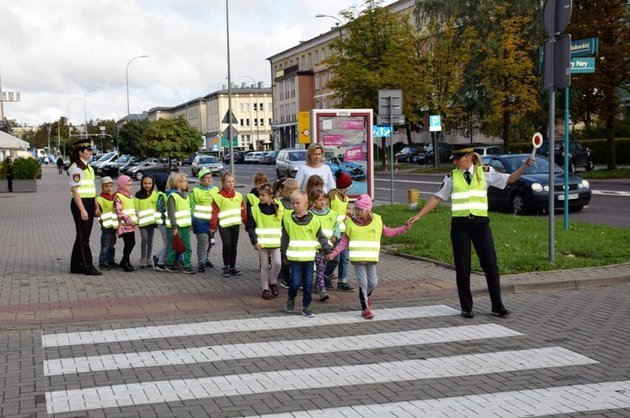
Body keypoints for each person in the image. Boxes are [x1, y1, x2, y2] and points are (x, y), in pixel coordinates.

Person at [408, 145, 535, 319]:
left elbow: (510, 179)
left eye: (457, 158)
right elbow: (438, 197)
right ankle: (466, 307)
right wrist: (419, 215)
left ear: (468, 157)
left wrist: (524, 166)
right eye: (453, 159)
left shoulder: (485, 172)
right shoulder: (452, 177)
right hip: (460, 226)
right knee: (462, 267)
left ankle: (497, 306)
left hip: (481, 224)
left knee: (491, 265)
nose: (454, 161)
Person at [328, 194, 411, 319]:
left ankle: (367, 297)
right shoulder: (350, 223)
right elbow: (344, 242)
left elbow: (389, 232)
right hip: (358, 260)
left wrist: (404, 228)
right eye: (356, 209)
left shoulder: (377, 221)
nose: (357, 212)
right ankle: (365, 309)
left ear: (368, 209)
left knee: (373, 283)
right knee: (363, 284)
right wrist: (334, 253)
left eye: (360, 209)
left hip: (371, 259)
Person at [283, 189, 332, 318]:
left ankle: (306, 306)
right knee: (294, 282)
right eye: (293, 203)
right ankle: (291, 297)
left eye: (297, 203)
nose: (294, 205)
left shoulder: (314, 220)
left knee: (308, 283)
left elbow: (321, 237)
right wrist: (284, 255)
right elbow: (285, 239)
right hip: (294, 258)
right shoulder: (287, 219)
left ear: (306, 203)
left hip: (309, 258)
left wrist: (327, 250)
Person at [68, 139, 101, 276]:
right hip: (80, 204)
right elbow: (75, 191)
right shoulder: (76, 168)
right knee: (84, 238)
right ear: (81, 152)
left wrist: (96, 206)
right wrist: (82, 209)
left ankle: (75, 266)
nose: (91, 153)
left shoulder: (89, 167)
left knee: (82, 236)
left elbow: (92, 189)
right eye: (88, 150)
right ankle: (88, 267)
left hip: (89, 202)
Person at [246, 183, 283, 300]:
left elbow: (284, 223)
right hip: (262, 243)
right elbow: (251, 226)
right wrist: (254, 241)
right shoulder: (255, 209)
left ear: (271, 196)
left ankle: (273, 281)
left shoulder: (279, 207)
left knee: (278, 263)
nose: (260, 197)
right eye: (259, 195)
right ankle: (265, 289)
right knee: (265, 265)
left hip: (276, 242)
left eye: (263, 195)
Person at [211, 172, 246, 277]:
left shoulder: (239, 195)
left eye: (232, 181)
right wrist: (213, 226)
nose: (231, 184)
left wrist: (247, 224)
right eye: (228, 182)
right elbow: (214, 213)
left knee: (234, 246)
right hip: (224, 225)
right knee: (227, 244)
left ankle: (232, 267)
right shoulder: (218, 196)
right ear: (223, 183)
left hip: (235, 224)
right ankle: (226, 266)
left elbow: (243, 211)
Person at [326, 171, 355, 292]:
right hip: (334, 233)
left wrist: (349, 213)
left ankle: (342, 281)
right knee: (334, 258)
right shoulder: (332, 197)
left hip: (343, 233)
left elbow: (346, 210)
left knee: (344, 258)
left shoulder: (346, 198)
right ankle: (325, 277)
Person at [309, 188, 339, 302]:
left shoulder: (331, 213)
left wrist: (335, 236)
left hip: (327, 247)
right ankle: (322, 291)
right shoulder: (310, 215)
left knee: (322, 269)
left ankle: (317, 283)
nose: (322, 202)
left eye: (324, 199)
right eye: (319, 200)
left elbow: (336, 226)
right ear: (313, 201)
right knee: (319, 270)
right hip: (315, 248)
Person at [164, 173, 195, 274]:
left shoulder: (186, 196)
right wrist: (174, 227)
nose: (186, 183)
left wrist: (190, 225)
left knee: (187, 247)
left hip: (186, 227)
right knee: (175, 247)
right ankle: (169, 264)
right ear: (177, 183)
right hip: (177, 227)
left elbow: (188, 211)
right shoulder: (173, 196)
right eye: (184, 181)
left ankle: (187, 265)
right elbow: (171, 213)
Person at [190, 169, 218, 273]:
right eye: (206, 177)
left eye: (210, 177)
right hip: (200, 222)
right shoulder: (195, 192)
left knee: (210, 242)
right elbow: (191, 208)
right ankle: (201, 263)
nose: (209, 179)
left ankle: (206, 258)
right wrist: (192, 222)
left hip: (212, 222)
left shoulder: (215, 189)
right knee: (203, 242)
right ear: (201, 180)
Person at [275, 177, 299, 289]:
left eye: (296, 191)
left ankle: (294, 276)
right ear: (284, 191)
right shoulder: (280, 204)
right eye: (291, 192)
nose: (294, 194)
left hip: (295, 234)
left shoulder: (298, 204)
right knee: (284, 255)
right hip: (284, 233)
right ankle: (285, 277)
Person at [114, 175, 138, 272]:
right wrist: (128, 219)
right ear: (122, 185)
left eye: (131, 185)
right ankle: (125, 263)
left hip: (131, 225)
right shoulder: (118, 196)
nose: (130, 187)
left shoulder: (130, 196)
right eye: (128, 185)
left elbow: (133, 207)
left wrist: (137, 215)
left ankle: (125, 262)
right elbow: (119, 211)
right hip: (124, 225)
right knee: (129, 243)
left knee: (131, 243)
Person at [95, 176, 118, 270]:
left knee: (112, 243)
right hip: (105, 225)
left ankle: (110, 260)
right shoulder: (100, 199)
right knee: (105, 243)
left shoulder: (114, 197)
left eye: (110, 186)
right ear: (102, 187)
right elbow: (97, 212)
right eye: (106, 186)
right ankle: (102, 262)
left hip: (114, 224)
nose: (109, 188)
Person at [135, 176, 158, 268]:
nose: (147, 185)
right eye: (145, 183)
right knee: (144, 239)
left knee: (150, 241)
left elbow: (157, 207)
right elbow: (135, 207)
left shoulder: (155, 194)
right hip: (142, 222)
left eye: (149, 183)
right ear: (141, 183)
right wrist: (136, 216)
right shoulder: (138, 195)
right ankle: (143, 258)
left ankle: (149, 258)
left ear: (152, 184)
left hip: (152, 222)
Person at [152, 173, 170, 271]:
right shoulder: (161, 195)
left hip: (164, 222)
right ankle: (160, 262)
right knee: (167, 242)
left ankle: (158, 257)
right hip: (162, 222)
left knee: (167, 242)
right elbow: (161, 209)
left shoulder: (163, 194)